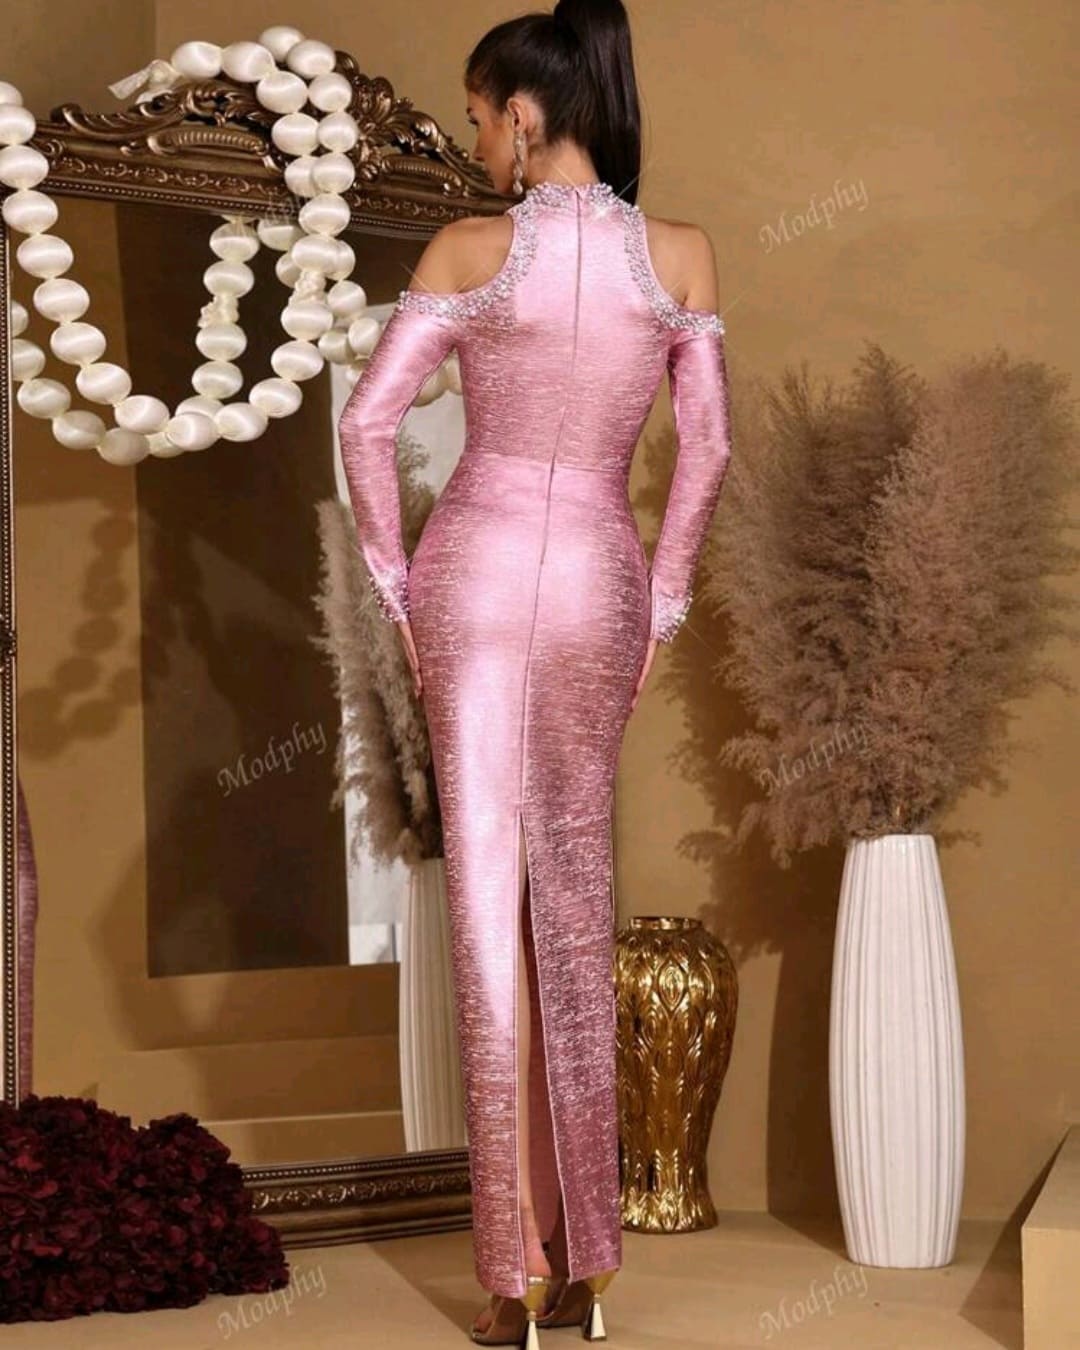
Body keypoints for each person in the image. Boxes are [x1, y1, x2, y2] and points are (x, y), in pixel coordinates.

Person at [338, 0, 731, 1342]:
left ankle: (508, 1270)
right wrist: (660, 602)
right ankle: (590, 1264)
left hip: (477, 573)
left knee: (486, 902)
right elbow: (707, 451)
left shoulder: (469, 247)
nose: (475, 146)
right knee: (576, 895)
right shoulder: (680, 256)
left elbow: (369, 423)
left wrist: (398, 589)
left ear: (521, 111)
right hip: (601, 581)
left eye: (476, 118)